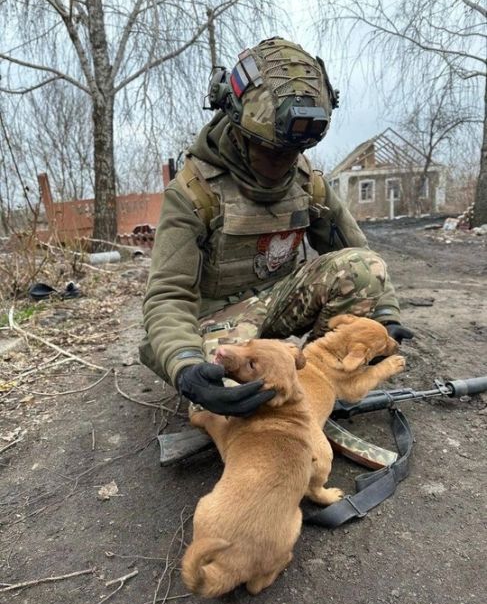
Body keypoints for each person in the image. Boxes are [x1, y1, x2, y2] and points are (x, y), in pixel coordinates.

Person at [140, 37, 413, 418]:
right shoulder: (194, 193)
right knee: (236, 392)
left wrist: (385, 318)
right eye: (270, 150)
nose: (283, 163)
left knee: (364, 270)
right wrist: (186, 367)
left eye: (292, 152)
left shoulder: (305, 182)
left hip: (281, 301)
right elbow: (168, 297)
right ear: (236, 126)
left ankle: (318, 382)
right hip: (216, 319)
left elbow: (359, 255)